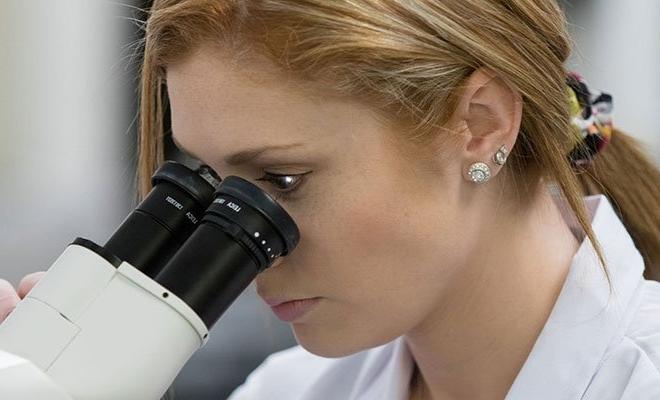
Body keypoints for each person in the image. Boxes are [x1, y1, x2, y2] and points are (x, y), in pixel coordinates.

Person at [2, 0, 659, 399]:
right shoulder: (287, 393)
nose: (249, 252)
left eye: (284, 181)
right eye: (210, 185)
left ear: (481, 123)